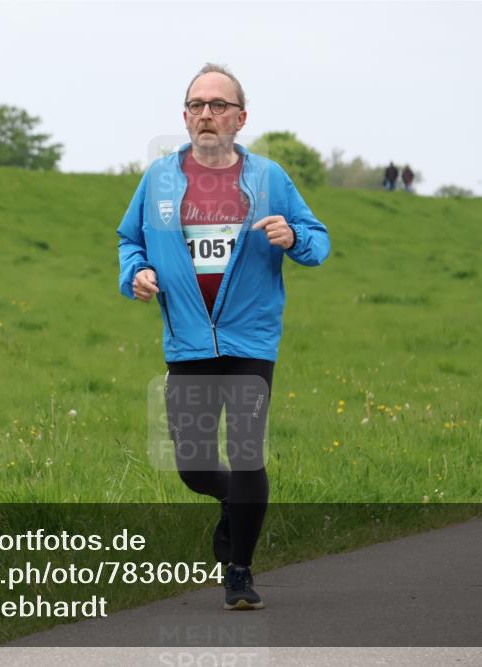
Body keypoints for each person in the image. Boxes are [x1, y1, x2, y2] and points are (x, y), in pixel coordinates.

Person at [116, 63, 330, 610]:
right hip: (187, 339)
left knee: (245, 452)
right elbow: (130, 241)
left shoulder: (269, 178)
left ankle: (239, 571)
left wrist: (293, 236)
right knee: (192, 464)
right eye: (196, 105)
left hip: (250, 340)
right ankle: (237, 507)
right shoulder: (159, 180)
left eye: (218, 105)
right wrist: (135, 274)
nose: (206, 114)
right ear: (184, 117)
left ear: (240, 118)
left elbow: (317, 239)